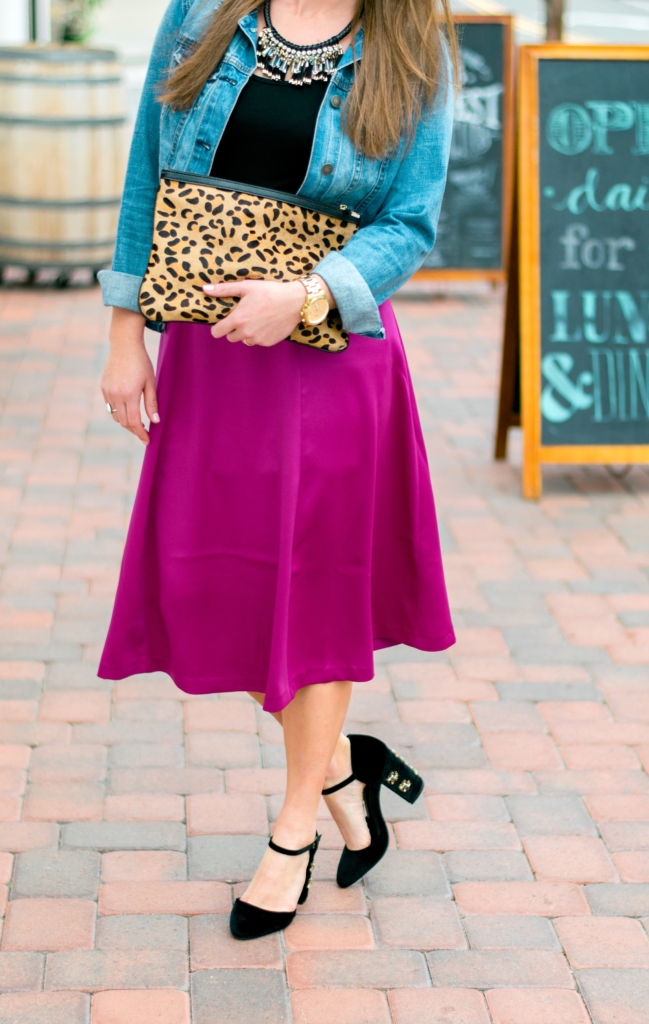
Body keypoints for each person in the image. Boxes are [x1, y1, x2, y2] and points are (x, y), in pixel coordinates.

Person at [98, 0, 457, 940]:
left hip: (330, 352)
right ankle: (343, 768)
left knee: (318, 591)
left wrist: (302, 295)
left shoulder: (410, 45)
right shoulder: (203, 15)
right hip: (213, 357)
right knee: (221, 587)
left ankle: (294, 831)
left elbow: (410, 223)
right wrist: (124, 335)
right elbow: (149, 175)